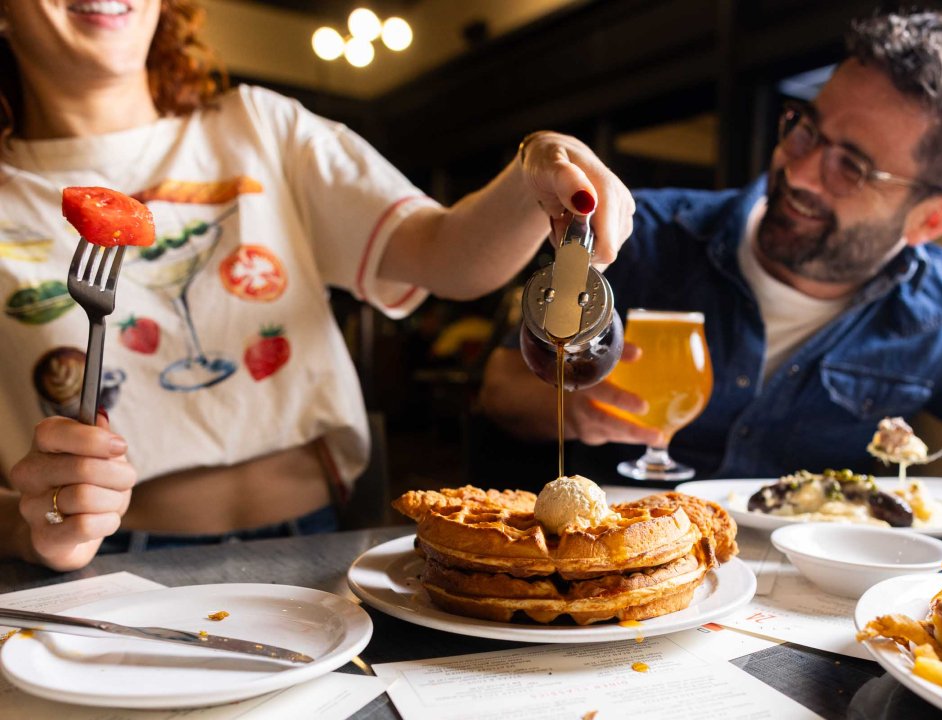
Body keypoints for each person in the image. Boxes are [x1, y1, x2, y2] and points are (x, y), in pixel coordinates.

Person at [0, 0, 635, 571]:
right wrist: (38, 531)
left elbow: (449, 254)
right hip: (109, 568)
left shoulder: (258, 124)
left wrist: (541, 160)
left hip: (320, 545)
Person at [479, 10, 942, 526]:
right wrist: (576, 409)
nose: (798, 170)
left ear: (931, 220)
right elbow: (498, 390)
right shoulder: (644, 234)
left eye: (851, 167)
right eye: (805, 129)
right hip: (615, 584)